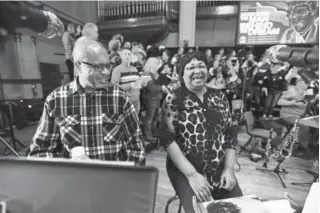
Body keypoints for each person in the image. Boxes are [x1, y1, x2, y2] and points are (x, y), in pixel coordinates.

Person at [28, 39, 145, 166]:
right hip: (72, 183)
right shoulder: (56, 100)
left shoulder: (120, 98)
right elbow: (40, 152)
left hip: (112, 182)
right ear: (78, 66)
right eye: (98, 66)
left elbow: (136, 147)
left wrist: (128, 180)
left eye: (108, 65)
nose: (106, 72)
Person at [159, 51, 242, 213]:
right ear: (182, 74)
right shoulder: (174, 98)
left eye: (201, 66)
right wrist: (192, 175)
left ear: (207, 70)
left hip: (219, 168)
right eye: (190, 67)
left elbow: (230, 135)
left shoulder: (220, 97)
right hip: (185, 170)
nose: (197, 70)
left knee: (239, 209)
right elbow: (167, 139)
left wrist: (229, 169)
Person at [111, 48, 146, 114]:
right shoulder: (117, 70)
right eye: (125, 54)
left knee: (135, 121)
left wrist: (142, 84)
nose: (127, 56)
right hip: (124, 101)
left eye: (129, 54)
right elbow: (114, 87)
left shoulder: (135, 69)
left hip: (136, 100)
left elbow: (137, 84)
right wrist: (129, 86)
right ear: (121, 56)